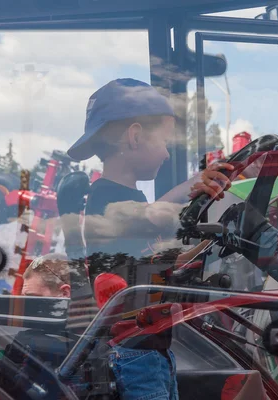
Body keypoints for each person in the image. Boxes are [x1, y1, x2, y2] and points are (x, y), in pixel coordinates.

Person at [67, 78, 235, 400]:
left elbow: (156, 259)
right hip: (132, 353)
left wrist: (213, 243)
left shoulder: (131, 205)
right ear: (135, 136)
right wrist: (191, 186)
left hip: (153, 347)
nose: (167, 154)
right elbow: (149, 214)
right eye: (164, 143)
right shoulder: (106, 196)